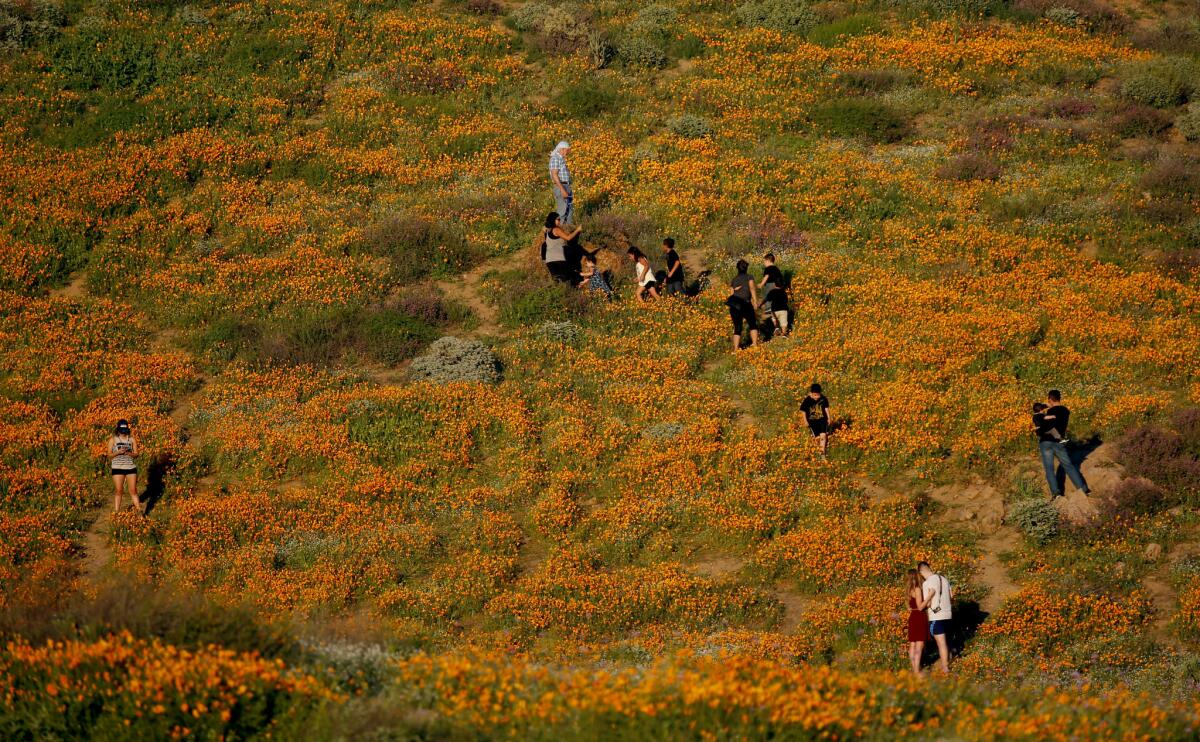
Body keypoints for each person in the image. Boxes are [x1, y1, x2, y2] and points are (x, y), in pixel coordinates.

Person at [1037, 389, 1091, 499]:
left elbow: (1048, 426)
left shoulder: (1050, 412)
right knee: (1069, 466)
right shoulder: (1066, 411)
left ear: (1050, 399)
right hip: (1058, 442)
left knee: (1049, 469)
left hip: (1046, 442)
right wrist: (1050, 405)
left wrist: (1038, 430)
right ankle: (1083, 489)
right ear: (1060, 398)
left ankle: (1056, 494)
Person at [918, 561, 952, 674]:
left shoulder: (927, 583)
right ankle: (947, 662)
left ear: (921, 571)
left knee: (941, 643)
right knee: (946, 641)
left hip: (936, 616)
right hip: (948, 614)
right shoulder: (944, 579)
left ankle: (945, 667)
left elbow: (927, 604)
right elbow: (952, 596)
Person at [108, 419, 141, 514]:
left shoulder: (132, 440)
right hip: (117, 468)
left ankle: (139, 510)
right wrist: (118, 452)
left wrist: (128, 453)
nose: (123, 433)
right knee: (119, 490)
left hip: (130, 467)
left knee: (133, 490)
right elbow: (109, 455)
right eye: (121, 431)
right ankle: (117, 511)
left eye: (124, 430)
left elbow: (136, 454)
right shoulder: (113, 440)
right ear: (118, 430)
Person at [726, 259, 759, 351]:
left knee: (737, 327)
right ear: (746, 268)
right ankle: (755, 344)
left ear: (737, 268)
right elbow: (752, 288)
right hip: (745, 303)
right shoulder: (749, 277)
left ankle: (736, 349)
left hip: (734, 304)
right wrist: (755, 301)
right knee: (752, 323)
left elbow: (732, 294)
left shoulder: (734, 280)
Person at [542, 212, 582, 285]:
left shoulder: (548, 231)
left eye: (560, 219)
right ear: (553, 220)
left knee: (557, 281)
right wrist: (578, 230)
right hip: (559, 259)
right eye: (558, 219)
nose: (559, 221)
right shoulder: (556, 230)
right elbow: (568, 238)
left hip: (549, 261)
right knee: (567, 281)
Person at [906, 568, 929, 676]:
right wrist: (929, 597)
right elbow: (920, 607)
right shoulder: (917, 589)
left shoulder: (908, 590)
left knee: (912, 644)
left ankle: (913, 667)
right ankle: (916, 671)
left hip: (912, 616)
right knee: (919, 644)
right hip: (919, 616)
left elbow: (909, 608)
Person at [758, 253, 789, 336]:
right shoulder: (776, 269)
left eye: (764, 261)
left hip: (771, 285)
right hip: (778, 286)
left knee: (769, 296)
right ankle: (783, 331)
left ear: (768, 260)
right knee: (775, 298)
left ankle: (769, 308)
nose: (764, 263)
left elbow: (767, 276)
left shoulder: (768, 268)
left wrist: (761, 284)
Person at [799, 383, 830, 458]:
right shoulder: (807, 400)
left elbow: (826, 408)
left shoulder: (823, 398)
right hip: (812, 422)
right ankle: (818, 450)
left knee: (823, 435)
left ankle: (822, 454)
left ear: (820, 393)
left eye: (818, 395)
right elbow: (803, 411)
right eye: (815, 395)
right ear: (811, 393)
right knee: (817, 438)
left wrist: (829, 418)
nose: (816, 397)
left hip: (823, 420)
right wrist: (805, 421)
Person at [549, 141, 574, 224]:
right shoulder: (555, 158)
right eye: (567, 150)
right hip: (561, 187)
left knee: (569, 211)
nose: (568, 152)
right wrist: (562, 189)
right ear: (562, 149)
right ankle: (558, 233)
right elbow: (554, 175)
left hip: (566, 186)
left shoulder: (561, 159)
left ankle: (567, 232)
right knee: (562, 212)